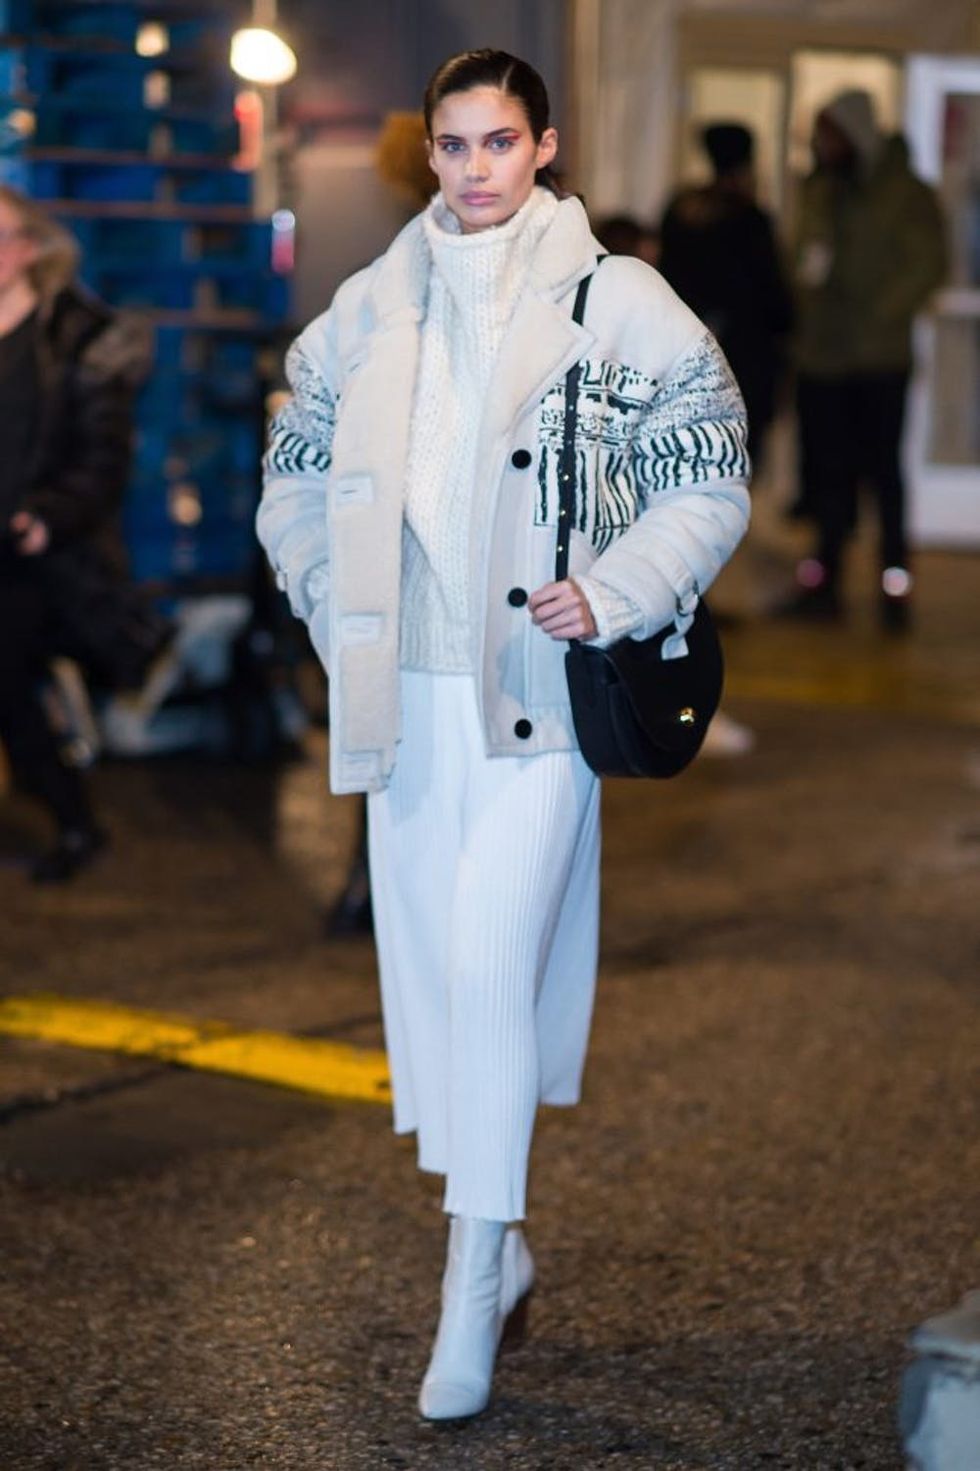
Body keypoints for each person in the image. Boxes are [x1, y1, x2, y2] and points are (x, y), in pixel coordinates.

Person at [257, 49, 750, 1420]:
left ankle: (470, 1281)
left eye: (500, 142)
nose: (476, 168)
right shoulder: (373, 303)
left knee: (485, 964)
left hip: (540, 695)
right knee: (431, 989)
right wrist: (330, 598)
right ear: (433, 155)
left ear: (544, 146)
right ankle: (502, 1236)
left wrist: (625, 583)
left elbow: (710, 469)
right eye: (455, 145)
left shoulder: (616, 298)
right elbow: (293, 470)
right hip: (406, 698)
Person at [0, 186, 150, 882]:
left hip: (36, 549)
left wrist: (49, 515)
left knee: (8, 682)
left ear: (29, 249)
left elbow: (103, 457)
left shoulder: (78, 339)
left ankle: (75, 819)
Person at [784, 93, 946, 630]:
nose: (822, 145)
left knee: (883, 475)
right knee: (827, 473)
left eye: (831, 134)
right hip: (823, 358)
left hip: (878, 360)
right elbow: (801, 257)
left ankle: (894, 586)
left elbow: (927, 265)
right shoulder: (820, 190)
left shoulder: (906, 195)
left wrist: (877, 315)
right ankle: (824, 580)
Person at [660, 122, 793, 471]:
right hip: (743, 362)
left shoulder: (682, 212)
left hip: (686, 356)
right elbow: (773, 298)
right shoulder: (749, 220)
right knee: (737, 463)